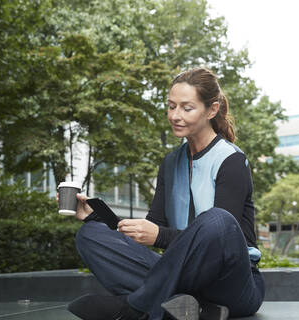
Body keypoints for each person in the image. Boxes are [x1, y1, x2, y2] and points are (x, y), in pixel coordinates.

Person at [66, 68, 265, 320]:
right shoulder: (170, 163)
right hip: (180, 276)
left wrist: (159, 235)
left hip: (232, 284)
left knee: (218, 220)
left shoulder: (231, 160)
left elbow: (221, 242)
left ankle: (136, 307)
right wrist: (97, 218)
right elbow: (153, 227)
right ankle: (192, 308)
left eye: (186, 108)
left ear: (211, 110)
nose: (175, 116)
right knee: (90, 236)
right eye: (171, 107)